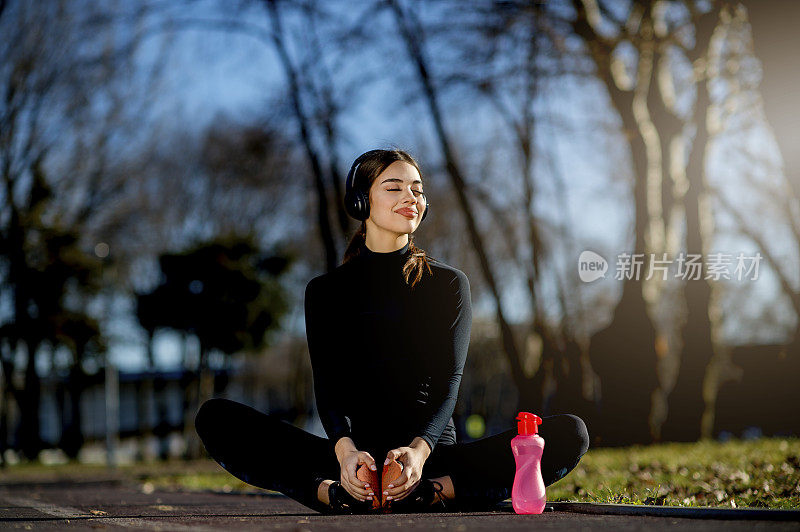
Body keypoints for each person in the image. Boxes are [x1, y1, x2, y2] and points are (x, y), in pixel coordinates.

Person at [195, 148, 589, 514]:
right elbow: (327, 387)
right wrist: (346, 453)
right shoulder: (325, 291)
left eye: (417, 190)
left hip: (431, 457)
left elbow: (448, 381)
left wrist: (418, 453)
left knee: (570, 433)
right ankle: (338, 493)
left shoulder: (447, 284)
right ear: (361, 201)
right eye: (394, 186)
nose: (411, 197)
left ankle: (431, 492)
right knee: (216, 418)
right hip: (353, 459)